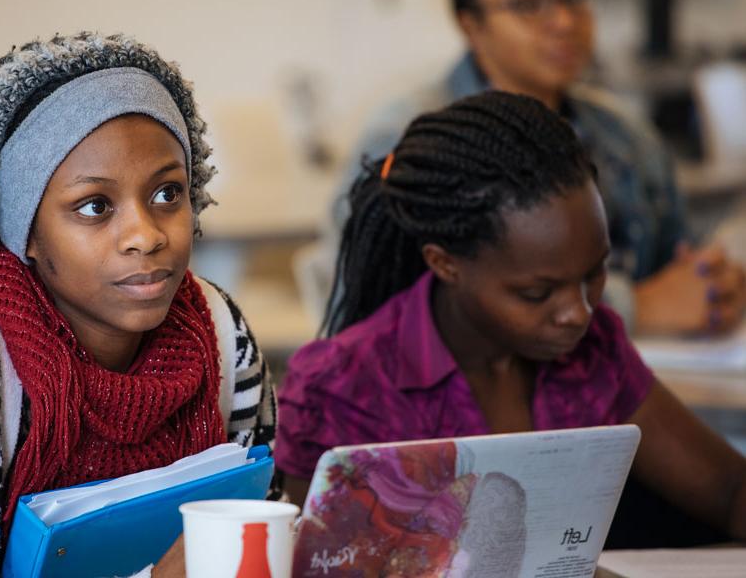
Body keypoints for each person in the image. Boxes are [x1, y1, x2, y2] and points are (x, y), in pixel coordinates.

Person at [0, 32, 276, 577]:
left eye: (168, 193)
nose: (145, 235)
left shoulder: (219, 332)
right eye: (95, 206)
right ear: (25, 231)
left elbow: (259, 522)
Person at [277, 92, 746, 548]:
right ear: (445, 263)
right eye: (537, 293)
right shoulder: (341, 388)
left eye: (595, 274)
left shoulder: (593, 349)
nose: (578, 312)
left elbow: (727, 491)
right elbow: (306, 561)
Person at [335, 0, 746, 336]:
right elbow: (381, 302)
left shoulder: (625, 134)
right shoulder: (412, 136)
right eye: (528, 3)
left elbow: (681, 257)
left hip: (639, 381)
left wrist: (714, 283)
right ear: (471, 25)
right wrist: (635, 307)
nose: (565, 21)